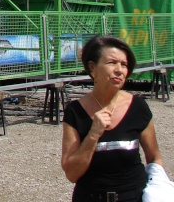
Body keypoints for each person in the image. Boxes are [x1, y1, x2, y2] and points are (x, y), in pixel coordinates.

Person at [61, 35, 164, 201]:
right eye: (112, 62)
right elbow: (71, 174)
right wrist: (93, 134)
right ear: (92, 68)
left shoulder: (138, 107)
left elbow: (154, 158)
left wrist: (158, 190)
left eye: (124, 65)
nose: (119, 70)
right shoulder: (75, 112)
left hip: (134, 197)